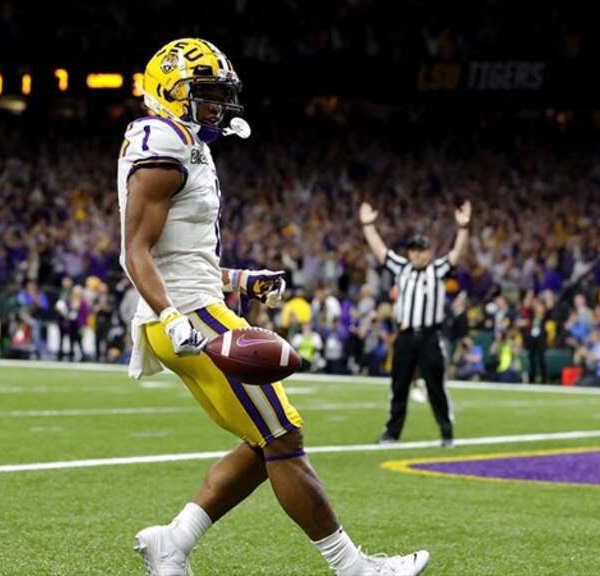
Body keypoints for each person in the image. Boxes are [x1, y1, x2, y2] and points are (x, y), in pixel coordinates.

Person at [119, 38, 429, 576]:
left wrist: (240, 279)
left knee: (264, 439)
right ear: (170, 90)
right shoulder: (164, 147)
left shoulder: (184, 142)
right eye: (205, 93)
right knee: (283, 436)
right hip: (190, 317)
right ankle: (354, 568)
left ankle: (173, 541)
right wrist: (173, 316)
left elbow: (181, 255)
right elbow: (135, 252)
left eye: (220, 94)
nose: (216, 105)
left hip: (191, 308)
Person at [360, 200, 471, 448]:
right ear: (409, 253)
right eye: (414, 250)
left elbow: (457, 254)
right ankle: (392, 433)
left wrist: (463, 228)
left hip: (430, 336)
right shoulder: (402, 268)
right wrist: (368, 225)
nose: (418, 254)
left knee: (436, 386)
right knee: (399, 385)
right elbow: (380, 251)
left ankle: (446, 432)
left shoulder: (438, 269)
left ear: (429, 252)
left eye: (422, 250)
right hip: (405, 335)